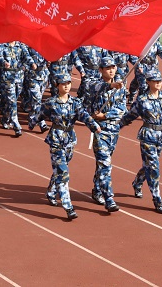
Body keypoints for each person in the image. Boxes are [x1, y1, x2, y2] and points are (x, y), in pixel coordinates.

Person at [31, 73, 100, 220]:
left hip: (69, 139)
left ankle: (51, 192)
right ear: (57, 86)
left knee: (60, 168)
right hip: (56, 139)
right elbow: (39, 114)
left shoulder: (75, 102)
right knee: (63, 172)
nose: (67, 86)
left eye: (68, 83)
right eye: (63, 84)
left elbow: (84, 115)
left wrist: (94, 126)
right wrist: (32, 123)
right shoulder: (51, 103)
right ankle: (68, 206)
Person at [121, 70, 162, 214]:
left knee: (148, 165)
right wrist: (116, 126)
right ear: (148, 82)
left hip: (160, 135)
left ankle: (137, 182)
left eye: (159, 81)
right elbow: (131, 115)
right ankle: (157, 198)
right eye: (155, 81)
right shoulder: (142, 100)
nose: (158, 83)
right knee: (154, 166)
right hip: (147, 135)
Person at [85, 56, 127, 213]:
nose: (111, 70)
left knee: (102, 163)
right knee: (105, 164)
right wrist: (110, 86)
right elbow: (94, 89)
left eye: (113, 67)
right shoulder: (93, 83)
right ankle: (109, 199)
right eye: (107, 68)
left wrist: (106, 115)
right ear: (101, 70)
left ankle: (97, 190)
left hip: (113, 130)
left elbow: (122, 108)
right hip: (100, 130)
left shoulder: (121, 86)